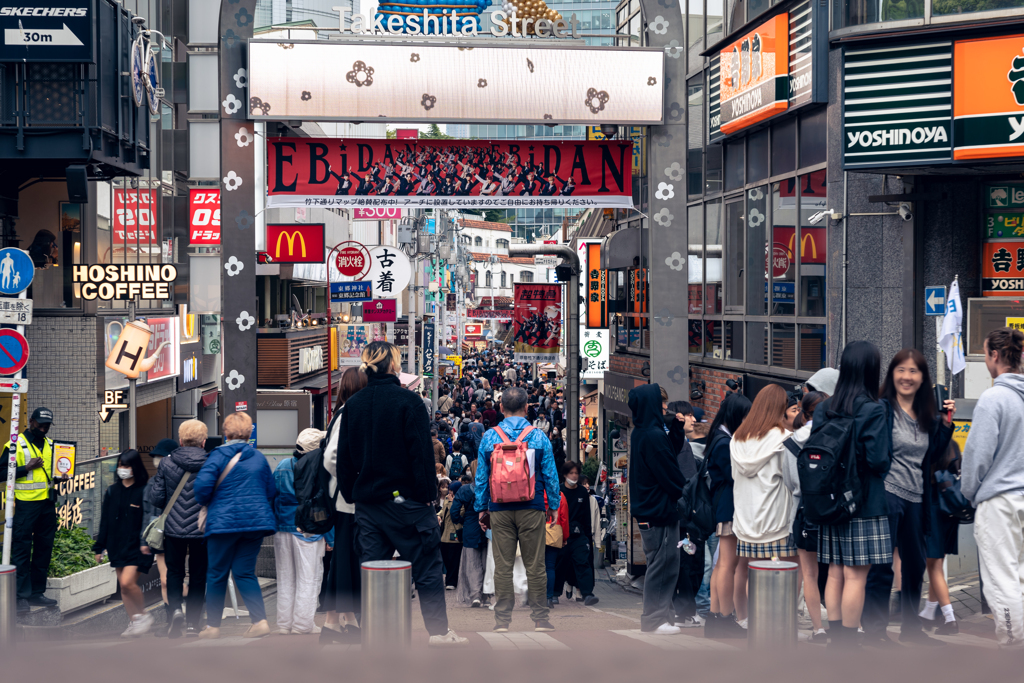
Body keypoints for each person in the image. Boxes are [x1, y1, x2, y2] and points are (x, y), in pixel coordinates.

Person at [337, 342, 468, 647]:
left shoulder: (353, 406)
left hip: (369, 504)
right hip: (408, 502)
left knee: (372, 570)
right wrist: (427, 497)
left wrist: (353, 494)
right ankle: (438, 632)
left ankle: (374, 634)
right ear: (393, 365)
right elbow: (421, 456)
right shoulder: (409, 402)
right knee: (427, 567)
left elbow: (344, 460)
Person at [862, 348, 954, 648]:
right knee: (882, 564)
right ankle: (875, 630)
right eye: (901, 370)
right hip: (887, 494)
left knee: (915, 565)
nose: (907, 376)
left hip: (916, 498)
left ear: (923, 377)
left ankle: (911, 628)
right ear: (892, 374)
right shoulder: (882, 409)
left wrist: (946, 424)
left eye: (913, 371)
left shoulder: (926, 415)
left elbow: (932, 456)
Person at [814, 341, 892, 650]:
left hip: (830, 501)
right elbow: (878, 461)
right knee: (856, 576)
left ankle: (836, 640)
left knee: (835, 571)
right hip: (865, 502)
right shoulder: (874, 409)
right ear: (872, 369)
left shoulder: (824, 408)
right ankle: (848, 642)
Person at [475, 386, 561, 633]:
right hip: (532, 507)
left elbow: (481, 477)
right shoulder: (538, 437)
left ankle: (502, 621)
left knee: (502, 565)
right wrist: (553, 504)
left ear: (501, 408)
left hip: (499, 508)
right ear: (526, 408)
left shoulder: (490, 437)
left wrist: (481, 508)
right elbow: (551, 475)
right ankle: (540, 619)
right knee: (536, 565)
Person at [962, 327, 1024, 648]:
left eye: (986, 353)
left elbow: (977, 456)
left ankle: (1013, 648)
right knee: (1020, 577)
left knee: (1002, 580)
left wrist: (969, 493)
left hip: (999, 501)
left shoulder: (993, 398)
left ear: (995, 355)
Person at [194, 411, 276, 640]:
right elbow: (270, 491)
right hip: (254, 525)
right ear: (249, 433)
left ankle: (213, 627)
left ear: (226, 433)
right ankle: (260, 621)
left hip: (223, 524)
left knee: (217, 573)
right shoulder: (258, 458)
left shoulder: (218, 456)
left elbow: (201, 490)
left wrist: (212, 501)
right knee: (245, 573)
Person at [730, 385, 799, 626]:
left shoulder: (738, 438)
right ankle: (777, 626)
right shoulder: (784, 440)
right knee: (785, 572)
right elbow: (791, 480)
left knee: (750, 571)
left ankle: (747, 620)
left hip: (746, 518)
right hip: (776, 518)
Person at [628, 383, 689, 635]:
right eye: (661, 403)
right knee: (663, 564)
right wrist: (685, 492)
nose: (665, 407)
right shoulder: (653, 435)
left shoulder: (642, 432)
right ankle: (654, 619)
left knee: (661, 563)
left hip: (649, 509)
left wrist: (675, 430)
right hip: (659, 510)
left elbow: (667, 455)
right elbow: (670, 472)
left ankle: (662, 616)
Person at [147, 426, 207, 638]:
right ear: (204, 441)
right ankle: (193, 624)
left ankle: (175, 611)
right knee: (198, 575)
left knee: (174, 572)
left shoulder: (166, 462)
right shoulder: (211, 462)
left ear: (180, 441)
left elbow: (156, 498)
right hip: (201, 528)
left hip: (173, 527)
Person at [322, 366, 367, 643]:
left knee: (344, 560)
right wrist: (353, 482)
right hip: (345, 500)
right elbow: (331, 457)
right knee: (344, 560)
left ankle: (341, 621)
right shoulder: (347, 414)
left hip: (344, 499)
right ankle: (335, 622)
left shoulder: (342, 413)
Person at [273, 428, 333, 636]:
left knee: (285, 577)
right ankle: (302, 624)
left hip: (282, 528)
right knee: (309, 577)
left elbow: (272, 495)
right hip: (309, 530)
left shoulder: (282, 465)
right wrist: (330, 536)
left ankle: (284, 624)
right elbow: (324, 503)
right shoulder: (319, 467)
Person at [1, 407, 59, 614]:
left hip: (47, 504)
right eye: (40, 424)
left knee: (44, 549)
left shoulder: (51, 445)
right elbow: (1, 472)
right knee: (22, 550)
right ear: (31, 421)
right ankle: (20, 597)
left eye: (47, 425)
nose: (44, 428)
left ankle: (37, 592)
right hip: (25, 505)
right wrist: (25, 468)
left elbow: (52, 473)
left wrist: (61, 476)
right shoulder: (15, 444)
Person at [94, 449, 154, 636]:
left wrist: (146, 542)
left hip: (137, 546)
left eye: (126, 466)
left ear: (134, 467)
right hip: (116, 545)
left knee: (128, 583)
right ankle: (134, 621)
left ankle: (144, 615)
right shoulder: (112, 491)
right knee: (124, 589)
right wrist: (99, 547)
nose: (122, 469)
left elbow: (148, 518)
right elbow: (105, 520)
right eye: (120, 465)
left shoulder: (144, 490)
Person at [787, 391, 829, 644]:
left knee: (809, 574)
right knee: (838, 572)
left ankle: (818, 629)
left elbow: (789, 479)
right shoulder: (838, 434)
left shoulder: (793, 441)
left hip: (803, 510)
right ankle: (850, 625)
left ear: (804, 414)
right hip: (833, 510)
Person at [920, 441, 962, 636]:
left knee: (934, 566)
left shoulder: (931, 446)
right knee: (936, 564)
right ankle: (929, 612)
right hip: (949, 510)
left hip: (934, 510)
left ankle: (950, 619)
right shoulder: (953, 445)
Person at [141, 437, 178, 637]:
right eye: (155, 457)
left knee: (172, 578)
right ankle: (172, 619)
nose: (156, 460)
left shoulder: (177, 479)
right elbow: (148, 514)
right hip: (163, 537)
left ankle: (188, 607)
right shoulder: (152, 482)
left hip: (180, 535)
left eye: (160, 456)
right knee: (165, 580)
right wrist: (144, 540)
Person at [555, 462, 599, 606]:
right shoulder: (558, 491)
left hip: (579, 535)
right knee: (560, 564)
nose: (574, 476)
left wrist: (588, 536)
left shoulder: (582, 492)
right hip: (561, 534)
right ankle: (555, 593)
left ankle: (587, 594)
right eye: (571, 473)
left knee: (582, 562)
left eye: (576, 473)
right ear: (565, 475)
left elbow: (586, 516)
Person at [452, 470, 487, 607]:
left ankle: (475, 595)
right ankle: (486, 594)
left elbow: (454, 512)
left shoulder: (464, 490)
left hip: (470, 527)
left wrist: (462, 520)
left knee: (472, 564)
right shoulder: (490, 488)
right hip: (488, 526)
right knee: (486, 563)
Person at [546, 490, 570, 608]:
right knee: (550, 566)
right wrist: (565, 537)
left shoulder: (534, 490)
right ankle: (549, 598)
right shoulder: (559, 494)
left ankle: (534, 597)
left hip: (535, 530)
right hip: (553, 530)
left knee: (534, 567)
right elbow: (564, 518)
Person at [439, 481, 463, 590]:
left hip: (455, 533)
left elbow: (458, 513)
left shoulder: (461, 500)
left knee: (453, 559)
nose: (449, 492)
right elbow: (443, 510)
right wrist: (438, 515)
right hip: (445, 534)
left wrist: (452, 502)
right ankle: (450, 579)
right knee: (446, 558)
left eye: (451, 490)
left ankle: (451, 582)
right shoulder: (447, 499)